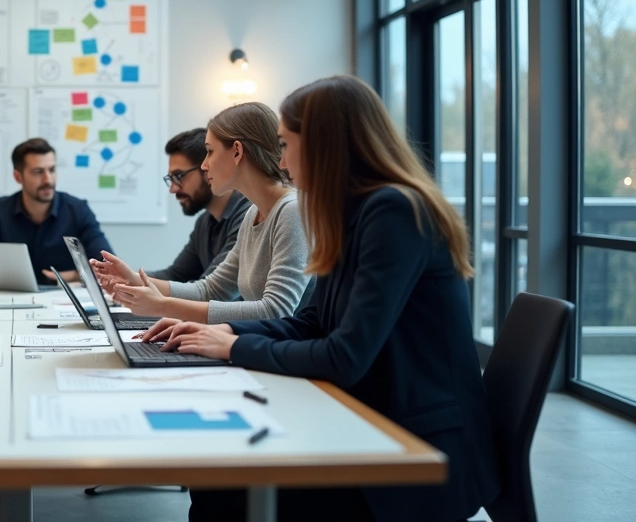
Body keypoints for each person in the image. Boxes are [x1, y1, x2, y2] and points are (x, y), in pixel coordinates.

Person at [146, 75, 500, 522]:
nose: (283, 160)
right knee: (217, 479)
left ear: (325, 146)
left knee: (225, 488)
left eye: (287, 144)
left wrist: (234, 346)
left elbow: (345, 355)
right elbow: (310, 321)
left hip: (416, 446)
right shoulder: (350, 212)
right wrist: (222, 331)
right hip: (374, 415)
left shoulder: (393, 212)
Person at [91, 103, 310, 323]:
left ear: (237, 151)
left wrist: (162, 305)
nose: (204, 165)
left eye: (210, 152)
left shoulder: (292, 211)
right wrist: (134, 279)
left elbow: (275, 311)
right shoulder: (253, 213)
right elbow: (211, 290)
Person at [0, 138, 113, 284]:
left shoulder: (77, 210)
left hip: (64, 303)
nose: (48, 180)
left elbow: (108, 268)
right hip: (9, 300)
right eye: (38, 172)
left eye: (51, 170)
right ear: (18, 177)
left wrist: (71, 276)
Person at [148, 128, 252, 283]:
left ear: (207, 168)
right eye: (171, 179)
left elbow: (210, 290)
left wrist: (137, 287)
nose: (173, 188)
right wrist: (125, 279)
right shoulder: (204, 222)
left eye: (178, 176)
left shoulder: (247, 216)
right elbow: (176, 276)